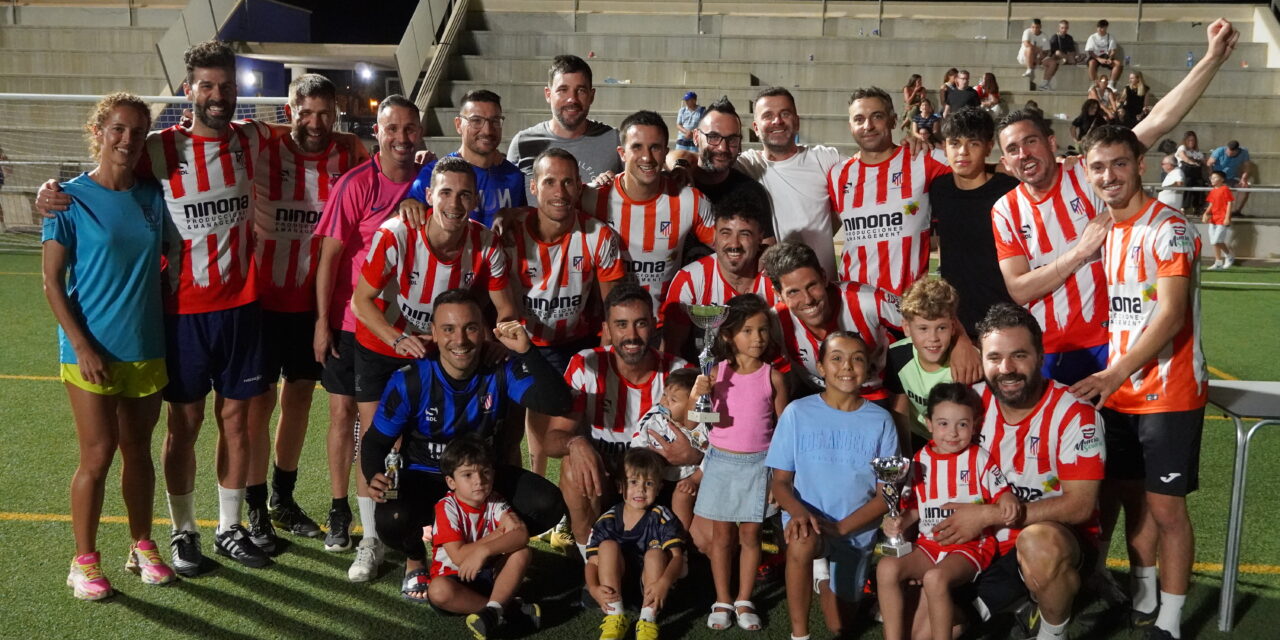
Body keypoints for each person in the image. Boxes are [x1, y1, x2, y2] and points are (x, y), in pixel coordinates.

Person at [991, 16, 1239, 387]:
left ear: (1052, 143)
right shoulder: (1005, 210)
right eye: (1013, 149)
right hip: (1043, 348)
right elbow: (1020, 289)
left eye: (1031, 141)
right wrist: (1080, 251)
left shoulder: (1090, 173)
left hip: (1110, 344)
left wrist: (1212, 59)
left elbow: (1160, 119)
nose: (1024, 153)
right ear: (1006, 163)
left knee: (1113, 444)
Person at [350, 156, 519, 581]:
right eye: (445, 192)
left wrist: (499, 338)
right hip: (387, 339)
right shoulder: (396, 234)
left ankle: (458, 529)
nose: (454, 202)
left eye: (464, 194)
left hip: (444, 343)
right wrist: (395, 339)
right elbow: (361, 301)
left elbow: (506, 311)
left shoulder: (485, 244)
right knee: (378, 437)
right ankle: (373, 537)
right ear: (428, 196)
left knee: (446, 435)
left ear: (476, 200)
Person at [1072, 125, 1208, 640]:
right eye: (1099, 167)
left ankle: (1170, 620)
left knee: (1166, 506)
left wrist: (1113, 372)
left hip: (1169, 391)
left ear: (1140, 166)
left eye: (1119, 164)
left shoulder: (1169, 228)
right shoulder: (1107, 230)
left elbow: (1171, 316)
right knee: (1129, 495)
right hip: (1121, 392)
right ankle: (1145, 591)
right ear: (1088, 173)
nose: (1109, 176)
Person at [360, 289, 573, 604]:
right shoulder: (411, 380)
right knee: (390, 517)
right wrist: (375, 474)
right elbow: (375, 442)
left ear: (484, 331)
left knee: (548, 503)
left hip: (482, 480)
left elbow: (559, 402)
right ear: (433, 333)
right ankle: (416, 558)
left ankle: (482, 551)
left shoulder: (500, 368)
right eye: (448, 329)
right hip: (424, 475)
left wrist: (527, 352)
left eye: (470, 328)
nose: (460, 339)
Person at [43, 93, 176, 600]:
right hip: (89, 351)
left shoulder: (151, 195)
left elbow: (168, 255)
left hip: (145, 345)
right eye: (117, 129)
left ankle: (141, 546)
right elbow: (52, 283)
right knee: (97, 457)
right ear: (98, 130)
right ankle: (84, 562)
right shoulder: (67, 199)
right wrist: (82, 345)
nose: (126, 139)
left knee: (137, 453)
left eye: (136, 132)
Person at [933, 303, 1105, 640]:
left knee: (1039, 545)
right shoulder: (971, 405)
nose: (1006, 368)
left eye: (1019, 356)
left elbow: (1080, 507)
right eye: (994, 357)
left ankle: (1052, 631)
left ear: (1041, 357)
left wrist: (986, 515)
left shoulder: (1075, 415)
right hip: (984, 545)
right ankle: (1017, 604)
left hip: (1054, 539)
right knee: (931, 628)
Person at [245, 73, 356, 549]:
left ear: (335, 112)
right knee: (257, 405)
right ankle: (253, 510)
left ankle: (281, 499)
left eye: (323, 113)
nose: (314, 122)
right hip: (262, 302)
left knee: (301, 400)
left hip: (316, 306)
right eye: (304, 112)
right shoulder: (261, 146)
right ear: (289, 109)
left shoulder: (351, 151)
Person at [312, 94, 423, 569]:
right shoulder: (357, 183)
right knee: (344, 418)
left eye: (409, 129)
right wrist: (322, 322)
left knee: (396, 427)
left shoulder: (430, 180)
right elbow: (330, 257)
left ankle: (398, 522)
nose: (401, 137)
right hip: (352, 322)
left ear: (420, 132)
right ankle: (343, 511)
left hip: (406, 328)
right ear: (376, 132)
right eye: (391, 128)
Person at [766, 331, 898, 640]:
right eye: (836, 359)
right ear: (821, 367)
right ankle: (799, 635)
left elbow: (885, 496)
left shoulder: (881, 421)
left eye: (857, 359)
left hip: (854, 529)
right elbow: (781, 482)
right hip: (808, 522)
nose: (847, 367)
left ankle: (822, 576)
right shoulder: (798, 413)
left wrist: (840, 529)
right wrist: (798, 514)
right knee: (801, 541)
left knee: (840, 625)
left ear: (868, 368)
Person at [503, 147, 626, 476]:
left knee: (578, 430)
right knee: (530, 421)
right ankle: (539, 496)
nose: (560, 192)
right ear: (534, 187)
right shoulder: (509, 235)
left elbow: (612, 307)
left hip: (577, 341)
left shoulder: (597, 235)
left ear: (580, 186)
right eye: (550, 182)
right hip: (525, 343)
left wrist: (608, 355)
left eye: (568, 182)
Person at [544, 284, 691, 554]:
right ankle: (591, 562)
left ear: (654, 325)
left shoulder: (680, 373)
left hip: (659, 485)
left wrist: (693, 454)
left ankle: (677, 557)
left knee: (697, 540)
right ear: (607, 329)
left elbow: (716, 441)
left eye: (640, 324)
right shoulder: (586, 364)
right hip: (605, 481)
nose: (631, 335)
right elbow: (552, 441)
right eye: (621, 325)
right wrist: (575, 443)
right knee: (571, 465)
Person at [877, 383, 1020, 640]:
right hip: (929, 545)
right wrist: (897, 521)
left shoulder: (979, 458)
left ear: (974, 424)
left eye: (962, 424)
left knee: (935, 579)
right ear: (928, 423)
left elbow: (1001, 493)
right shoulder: (919, 461)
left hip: (970, 547)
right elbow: (915, 508)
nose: (953, 433)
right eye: (943, 424)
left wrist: (1008, 496)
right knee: (886, 567)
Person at [689, 294, 789, 632]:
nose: (758, 338)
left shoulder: (773, 377)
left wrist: (778, 476)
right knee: (722, 538)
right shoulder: (715, 373)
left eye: (763, 330)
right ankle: (722, 598)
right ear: (729, 335)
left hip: (759, 466)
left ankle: (745, 598)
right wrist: (696, 391)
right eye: (748, 331)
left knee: (750, 535)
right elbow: (694, 417)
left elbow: (783, 432)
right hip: (720, 464)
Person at [580, 110, 714, 314]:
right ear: (622, 153)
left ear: (665, 152)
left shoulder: (690, 201)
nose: (647, 157)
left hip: (664, 328)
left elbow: (730, 250)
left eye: (655, 148)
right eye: (637, 147)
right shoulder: (591, 198)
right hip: (604, 328)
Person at [828, 87, 951, 295]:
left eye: (877, 116)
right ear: (850, 126)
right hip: (854, 304)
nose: (868, 126)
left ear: (893, 121)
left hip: (909, 305)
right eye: (859, 119)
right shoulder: (837, 174)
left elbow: (973, 170)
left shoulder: (923, 159)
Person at [761, 240, 907, 401]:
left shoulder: (867, 300)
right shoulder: (775, 321)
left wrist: (901, 391)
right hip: (817, 397)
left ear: (824, 277)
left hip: (877, 394)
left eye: (812, 285)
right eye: (793, 292)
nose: (808, 299)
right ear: (778, 294)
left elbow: (926, 321)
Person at [426, 437, 541, 639]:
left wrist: (484, 551)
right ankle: (506, 609)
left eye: (485, 472)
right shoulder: (446, 507)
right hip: (456, 578)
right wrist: (497, 536)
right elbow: (460, 557)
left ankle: (493, 612)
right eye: (468, 475)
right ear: (451, 482)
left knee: (522, 553)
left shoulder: (495, 500)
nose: (479, 480)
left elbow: (521, 535)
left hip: (487, 573)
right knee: (437, 591)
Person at [735, 86, 843, 280]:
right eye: (768, 115)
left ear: (797, 121)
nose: (777, 121)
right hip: (768, 293)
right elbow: (695, 162)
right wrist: (679, 163)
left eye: (785, 113)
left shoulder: (825, 159)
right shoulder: (746, 165)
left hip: (822, 288)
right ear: (756, 127)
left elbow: (870, 163)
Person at [929, 108, 1019, 337]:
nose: (963, 152)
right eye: (955, 143)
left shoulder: (1009, 189)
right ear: (944, 147)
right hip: (958, 321)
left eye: (974, 143)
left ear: (989, 146)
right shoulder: (939, 189)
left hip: (1007, 315)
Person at [660, 188, 776, 360]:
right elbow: (671, 351)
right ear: (714, 235)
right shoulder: (689, 279)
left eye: (744, 234)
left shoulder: (775, 277)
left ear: (760, 238)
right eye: (725, 233)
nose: (734, 244)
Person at [585, 447, 687, 640]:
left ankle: (648, 620)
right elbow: (592, 563)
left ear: (658, 488)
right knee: (607, 546)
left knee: (655, 554)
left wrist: (664, 583)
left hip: (653, 591)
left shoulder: (661, 517)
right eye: (633, 482)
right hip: (618, 588)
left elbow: (677, 557)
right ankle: (615, 616)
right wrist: (593, 588)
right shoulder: (607, 520)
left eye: (648, 483)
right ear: (620, 486)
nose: (640, 489)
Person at [405, 90, 526, 228]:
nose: (487, 130)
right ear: (458, 125)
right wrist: (408, 203)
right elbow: (409, 210)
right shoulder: (435, 173)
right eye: (476, 121)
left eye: (494, 121)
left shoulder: (514, 176)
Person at [508, 54, 622, 194]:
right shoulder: (523, 143)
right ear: (548, 94)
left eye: (580, 90)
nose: (572, 99)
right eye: (563, 90)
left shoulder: (614, 140)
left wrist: (617, 187)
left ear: (591, 96)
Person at [884, 277, 976, 443]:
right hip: (919, 438)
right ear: (906, 328)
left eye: (941, 328)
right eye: (923, 329)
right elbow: (900, 411)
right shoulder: (896, 355)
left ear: (953, 327)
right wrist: (906, 456)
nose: (933, 338)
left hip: (960, 442)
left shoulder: (969, 363)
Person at [630, 368, 705, 531]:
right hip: (657, 478)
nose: (664, 402)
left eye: (673, 400)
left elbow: (712, 454)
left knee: (682, 496)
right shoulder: (653, 418)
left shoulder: (701, 425)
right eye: (664, 395)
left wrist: (695, 477)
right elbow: (637, 446)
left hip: (687, 481)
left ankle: (679, 539)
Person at [1203, 169, 1236, 269]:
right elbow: (1211, 204)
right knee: (1214, 241)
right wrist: (1206, 213)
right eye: (1211, 178)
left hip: (1222, 218)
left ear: (1222, 179)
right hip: (1213, 218)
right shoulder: (1213, 191)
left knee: (1216, 240)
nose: (1212, 179)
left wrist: (1227, 217)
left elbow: (1229, 203)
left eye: (1215, 177)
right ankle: (1218, 261)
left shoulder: (1225, 189)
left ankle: (1229, 255)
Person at [1040, 20, 1085, 91]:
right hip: (1055, 57)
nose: (1064, 30)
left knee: (1078, 55)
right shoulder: (1055, 37)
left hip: (1066, 56)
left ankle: (1070, 61)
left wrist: (1074, 56)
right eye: (1062, 28)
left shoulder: (1069, 38)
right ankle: (1071, 61)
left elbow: (1072, 51)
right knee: (1058, 52)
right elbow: (1052, 53)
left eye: (1066, 28)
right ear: (1059, 28)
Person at [1208, 139, 1251, 213]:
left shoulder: (1244, 152)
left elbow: (1247, 167)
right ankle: (1219, 210)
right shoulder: (1220, 151)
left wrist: (1243, 178)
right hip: (1219, 176)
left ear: (1237, 151)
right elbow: (1209, 163)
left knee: (1245, 187)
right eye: (1227, 151)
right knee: (1223, 188)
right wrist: (1212, 176)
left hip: (1232, 178)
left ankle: (1236, 211)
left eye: (1231, 153)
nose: (1228, 154)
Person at [1175, 130, 1206, 215]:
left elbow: (1205, 162)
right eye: (1189, 140)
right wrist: (1193, 162)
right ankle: (1184, 207)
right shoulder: (1182, 148)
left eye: (1193, 140)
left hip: (1196, 174)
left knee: (1200, 184)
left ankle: (1198, 207)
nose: (1191, 142)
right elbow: (1184, 158)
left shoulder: (1198, 153)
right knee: (1187, 183)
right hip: (1185, 172)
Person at [1086, 19, 1124, 84]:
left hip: (1106, 56)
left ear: (1106, 28)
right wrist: (1099, 59)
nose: (1099, 29)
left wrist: (1110, 58)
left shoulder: (1111, 37)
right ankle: (1093, 84)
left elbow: (1113, 50)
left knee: (1117, 63)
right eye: (1098, 27)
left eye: (1101, 28)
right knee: (1091, 63)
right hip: (1095, 57)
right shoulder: (1092, 37)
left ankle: (1111, 84)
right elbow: (1090, 51)